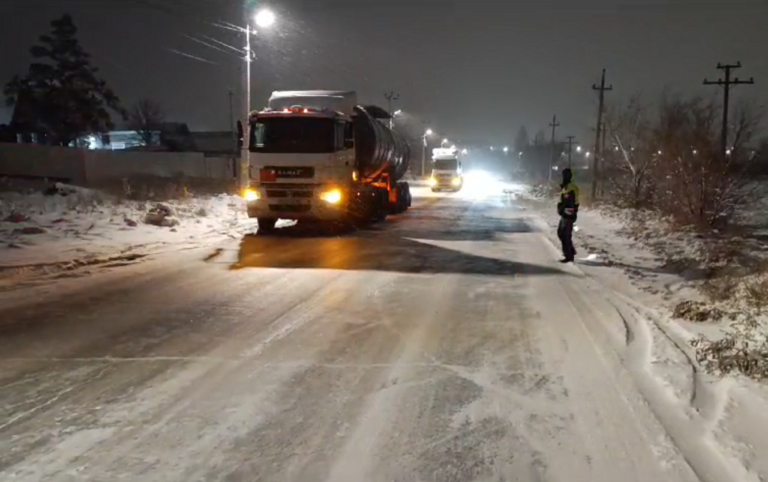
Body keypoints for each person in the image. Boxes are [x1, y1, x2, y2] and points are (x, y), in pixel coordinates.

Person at [556, 168, 579, 263]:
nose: (563, 177)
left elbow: (570, 202)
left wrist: (565, 210)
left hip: (568, 214)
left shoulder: (571, 188)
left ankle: (569, 255)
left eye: (565, 175)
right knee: (561, 233)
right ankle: (571, 251)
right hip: (565, 214)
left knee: (565, 235)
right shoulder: (566, 187)